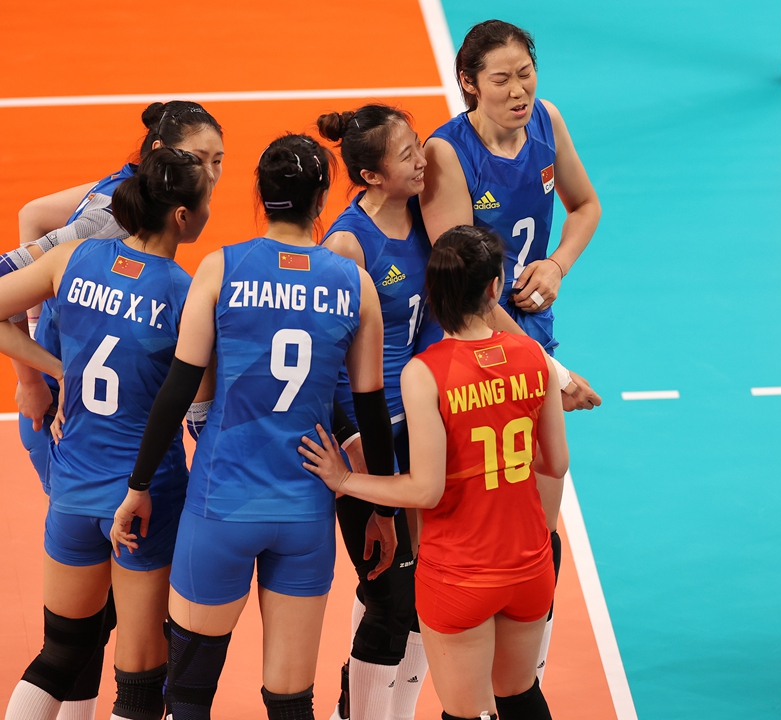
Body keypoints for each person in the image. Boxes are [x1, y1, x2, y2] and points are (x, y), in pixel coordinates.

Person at [109, 133, 393, 720]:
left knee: (187, 698)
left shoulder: (221, 267)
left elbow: (178, 390)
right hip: (305, 511)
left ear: (261, 196)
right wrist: (383, 510)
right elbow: (369, 410)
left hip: (222, 503)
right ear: (321, 201)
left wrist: (138, 487)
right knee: (291, 705)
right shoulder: (355, 284)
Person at [300, 225, 568, 720]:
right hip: (529, 564)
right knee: (519, 695)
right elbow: (555, 463)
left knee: (464, 713)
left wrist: (345, 481)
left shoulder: (426, 371)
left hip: (460, 573)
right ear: (494, 288)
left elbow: (424, 489)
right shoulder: (535, 359)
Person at [0, 148, 213, 720]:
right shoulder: (186, 293)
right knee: (141, 677)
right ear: (183, 218)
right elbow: (201, 408)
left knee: (60, 653)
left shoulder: (74, 258)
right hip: (145, 498)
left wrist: (55, 369)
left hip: (72, 487)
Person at [421, 19, 601, 680]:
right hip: (472, 355)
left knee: (538, 530)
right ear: (470, 83)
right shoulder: (449, 154)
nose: (519, 90)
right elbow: (467, 288)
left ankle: (525, 680)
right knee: (469, 528)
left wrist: (556, 265)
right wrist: (549, 370)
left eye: (526, 74)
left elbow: (585, 207)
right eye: (501, 79)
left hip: (534, 343)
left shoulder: (548, 123)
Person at [315, 104, 438, 720]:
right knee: (389, 596)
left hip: (421, 429)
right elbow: (329, 358)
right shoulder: (346, 243)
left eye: (420, 145)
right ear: (370, 176)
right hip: (367, 437)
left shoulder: (428, 215)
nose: (423, 157)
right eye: (407, 152)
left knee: (420, 598)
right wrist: (353, 439)